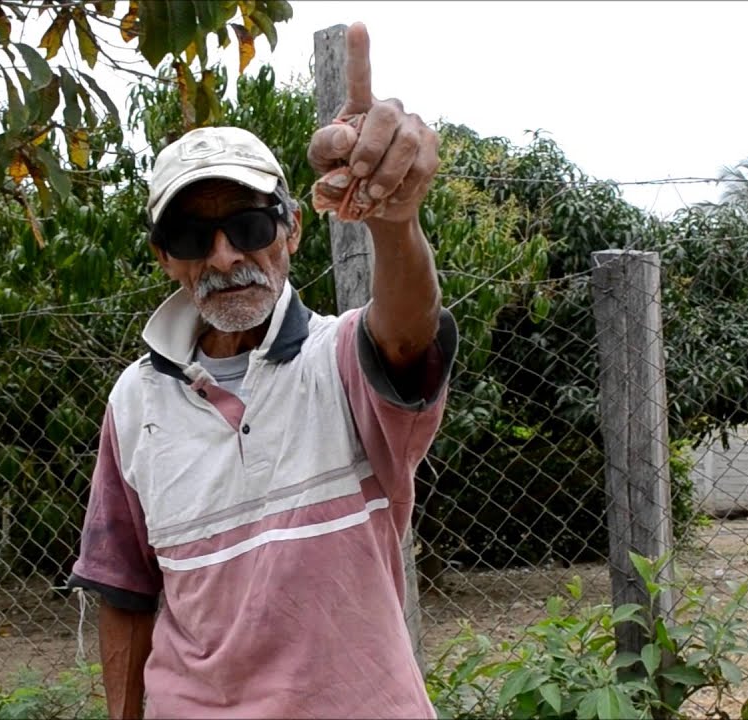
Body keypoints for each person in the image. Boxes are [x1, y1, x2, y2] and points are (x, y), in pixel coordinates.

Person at [67, 22, 457, 719]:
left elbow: (408, 330)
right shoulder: (134, 401)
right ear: (165, 259)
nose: (222, 257)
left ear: (293, 231)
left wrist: (396, 223)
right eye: (191, 236)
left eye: (248, 225)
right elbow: (124, 589)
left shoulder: (341, 359)